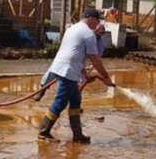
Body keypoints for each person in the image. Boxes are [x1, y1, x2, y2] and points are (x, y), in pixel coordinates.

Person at [38, 8, 115, 143]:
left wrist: (85, 74)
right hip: (68, 71)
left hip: (64, 68)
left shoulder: (72, 29)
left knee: (75, 102)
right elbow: (95, 59)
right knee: (60, 102)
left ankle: (78, 135)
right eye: (97, 21)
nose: (97, 24)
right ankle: (43, 133)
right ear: (91, 18)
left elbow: (75, 54)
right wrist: (106, 78)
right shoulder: (88, 34)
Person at [33, 21, 107, 102]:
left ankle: (75, 102)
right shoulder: (85, 34)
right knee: (51, 74)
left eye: (101, 34)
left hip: (80, 61)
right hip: (67, 57)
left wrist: (90, 68)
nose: (98, 35)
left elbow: (96, 58)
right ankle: (42, 91)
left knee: (79, 82)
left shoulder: (99, 42)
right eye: (98, 33)